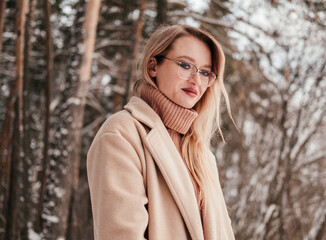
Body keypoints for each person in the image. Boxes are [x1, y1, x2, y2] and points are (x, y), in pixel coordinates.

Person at [87, 25, 235, 240]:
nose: (196, 80)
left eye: (205, 72)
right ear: (153, 66)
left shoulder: (201, 153)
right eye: (185, 65)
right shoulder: (121, 135)